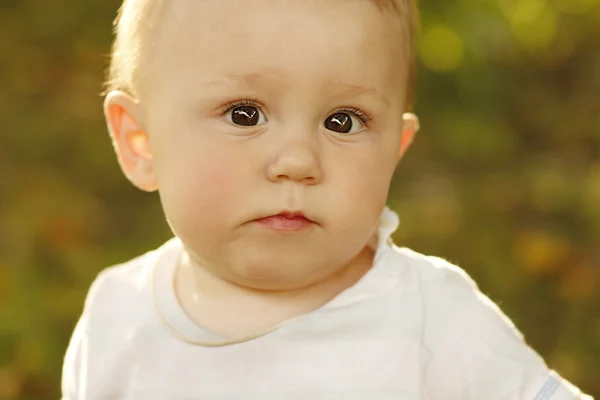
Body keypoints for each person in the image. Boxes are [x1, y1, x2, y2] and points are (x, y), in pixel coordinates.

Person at [61, 0, 593, 399]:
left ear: (393, 151)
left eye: (344, 121)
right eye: (245, 114)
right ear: (141, 142)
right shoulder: (118, 317)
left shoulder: (431, 318)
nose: (297, 159)